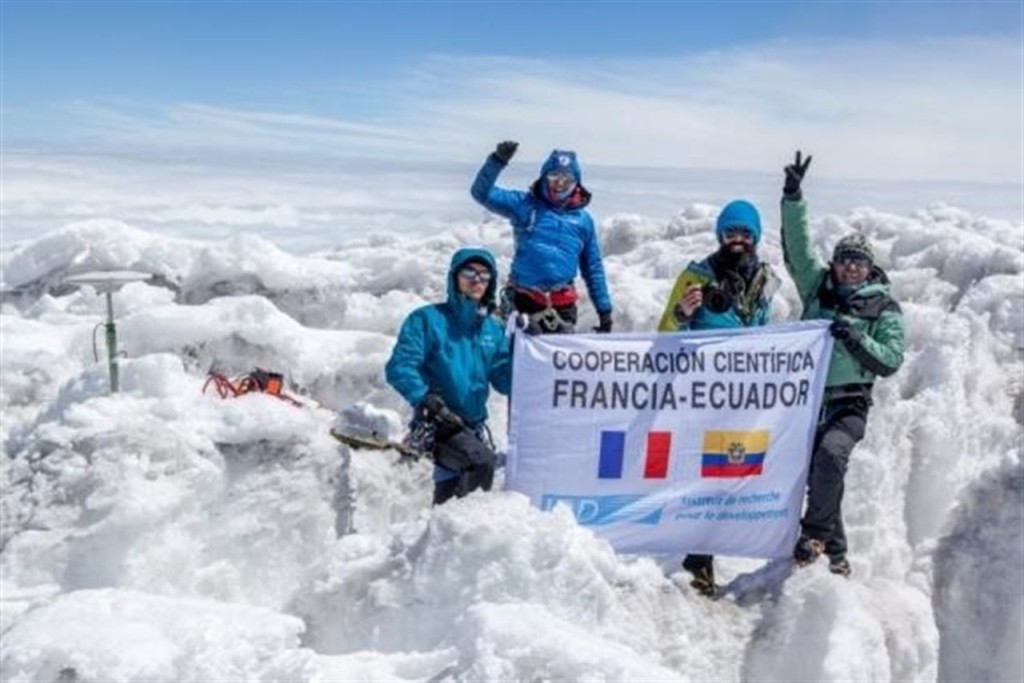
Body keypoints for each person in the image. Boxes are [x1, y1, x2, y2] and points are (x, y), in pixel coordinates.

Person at [780, 151, 905, 576]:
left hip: (849, 405)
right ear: (834, 263)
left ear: (871, 269)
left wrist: (855, 335)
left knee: (831, 457)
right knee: (818, 476)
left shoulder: (883, 307)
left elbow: (890, 360)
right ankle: (837, 558)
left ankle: (813, 536)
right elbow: (798, 248)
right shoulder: (818, 289)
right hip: (806, 402)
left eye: (859, 260)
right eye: (844, 258)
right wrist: (793, 196)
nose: (851, 266)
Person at [657, 199, 780, 597]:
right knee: (703, 479)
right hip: (702, 394)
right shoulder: (695, 276)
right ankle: (697, 564)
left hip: (741, 396)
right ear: (720, 236)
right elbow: (664, 336)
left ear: (756, 237)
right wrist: (680, 312)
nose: (738, 240)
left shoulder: (764, 281)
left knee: (730, 478)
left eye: (745, 233)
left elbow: (763, 331)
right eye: (731, 233)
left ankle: (720, 553)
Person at [385, 246, 512, 505]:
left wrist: (527, 348)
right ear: (454, 276)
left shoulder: (492, 330)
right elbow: (400, 366)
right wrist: (424, 397)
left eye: (485, 276)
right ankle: (462, 531)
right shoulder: (427, 319)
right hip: (438, 424)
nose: (477, 280)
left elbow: (504, 380)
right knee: (481, 462)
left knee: (449, 494)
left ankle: (440, 538)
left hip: (471, 428)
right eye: (469, 272)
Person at [471, 141, 613, 334]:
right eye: (554, 178)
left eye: (566, 180)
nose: (559, 185)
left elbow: (593, 267)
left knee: (557, 362)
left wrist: (604, 310)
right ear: (545, 178)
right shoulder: (523, 204)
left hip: (563, 308)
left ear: (576, 183)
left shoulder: (583, 221)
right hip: (523, 303)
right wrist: (497, 161)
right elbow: (481, 193)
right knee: (516, 361)